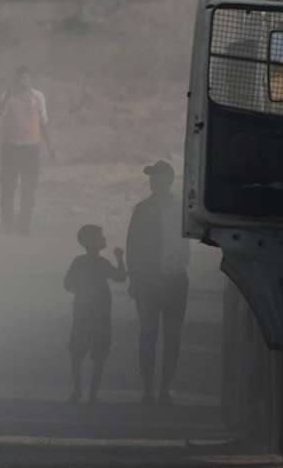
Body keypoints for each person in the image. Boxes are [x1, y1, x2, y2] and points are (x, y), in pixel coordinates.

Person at [125, 160, 191, 405]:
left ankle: (165, 387)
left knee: (172, 336)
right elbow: (132, 247)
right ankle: (148, 387)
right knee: (148, 333)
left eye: (160, 178)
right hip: (148, 280)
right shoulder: (142, 209)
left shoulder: (184, 208)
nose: (155, 183)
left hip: (175, 279)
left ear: (170, 181)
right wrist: (135, 279)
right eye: (152, 179)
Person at [64, 224, 127, 404]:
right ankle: (93, 395)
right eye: (101, 236)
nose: (104, 239)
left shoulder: (79, 261)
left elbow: (67, 283)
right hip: (100, 315)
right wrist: (120, 257)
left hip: (82, 313)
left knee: (77, 354)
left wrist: (82, 292)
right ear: (93, 241)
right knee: (99, 355)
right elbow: (121, 277)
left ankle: (77, 391)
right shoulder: (101, 263)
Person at [0, 65, 55, 236]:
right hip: (11, 149)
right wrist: (9, 96)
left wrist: (50, 146)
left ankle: (24, 227)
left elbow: (43, 121)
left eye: (24, 78)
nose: (21, 82)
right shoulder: (7, 95)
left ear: (30, 80)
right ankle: (7, 225)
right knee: (8, 188)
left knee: (29, 189)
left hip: (31, 150)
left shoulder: (38, 97)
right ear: (15, 79)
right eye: (19, 78)